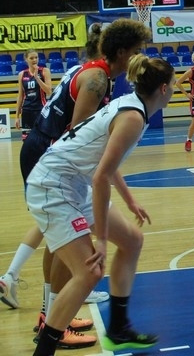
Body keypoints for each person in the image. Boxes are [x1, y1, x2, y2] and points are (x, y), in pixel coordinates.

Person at [0, 20, 149, 349]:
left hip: (50, 153)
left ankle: (51, 314)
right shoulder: (96, 79)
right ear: (122, 52)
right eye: (137, 51)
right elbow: (79, 135)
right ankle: (49, 318)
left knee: (59, 240)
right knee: (66, 238)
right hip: (50, 156)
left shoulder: (94, 72)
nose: (141, 57)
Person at [27, 54, 173, 355]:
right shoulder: (133, 116)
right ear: (162, 88)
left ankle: (118, 330)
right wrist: (103, 240)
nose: (175, 89)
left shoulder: (132, 106)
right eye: (173, 84)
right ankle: (44, 350)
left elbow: (105, 161)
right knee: (89, 272)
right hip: (53, 185)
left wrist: (130, 200)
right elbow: (100, 178)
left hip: (72, 182)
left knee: (132, 240)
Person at [15, 49, 52, 140]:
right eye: (31, 58)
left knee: (41, 139)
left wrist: (37, 78)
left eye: (36, 57)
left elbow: (49, 91)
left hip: (40, 109)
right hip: (27, 110)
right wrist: (17, 116)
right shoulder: (22, 74)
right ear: (26, 59)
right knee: (27, 140)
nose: (34, 60)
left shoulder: (44, 71)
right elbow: (20, 96)